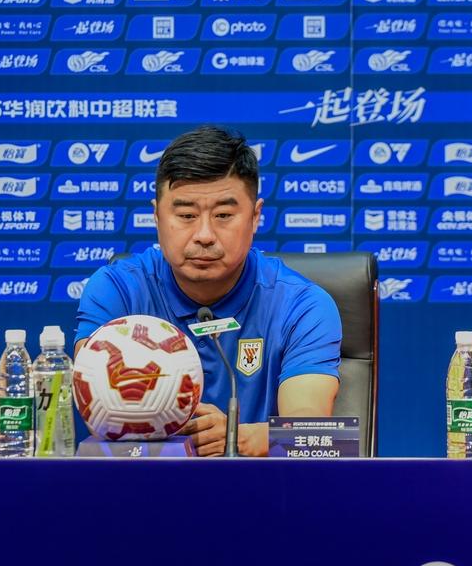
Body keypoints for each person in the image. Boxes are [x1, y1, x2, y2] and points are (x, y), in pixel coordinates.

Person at [74, 125, 342, 456]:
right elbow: (96, 411)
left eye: (223, 215)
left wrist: (239, 438)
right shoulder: (118, 290)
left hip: (257, 485)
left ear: (255, 217)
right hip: (144, 483)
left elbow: (317, 433)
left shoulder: (302, 306)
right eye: (186, 215)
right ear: (157, 216)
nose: (204, 235)